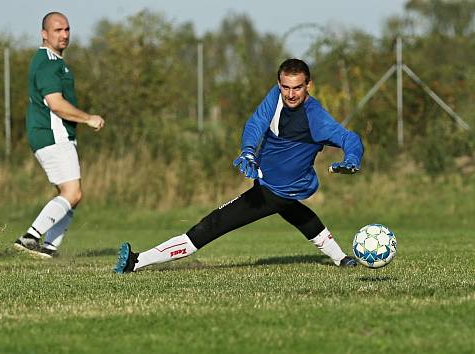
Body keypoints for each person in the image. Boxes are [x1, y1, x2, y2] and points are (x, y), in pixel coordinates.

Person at [114, 58, 363, 273]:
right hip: (275, 186)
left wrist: (352, 159)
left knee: (212, 224)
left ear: (308, 85)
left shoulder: (315, 117)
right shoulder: (276, 98)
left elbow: (348, 138)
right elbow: (256, 123)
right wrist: (247, 152)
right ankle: (342, 259)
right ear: (279, 84)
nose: (290, 94)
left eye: (297, 88)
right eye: (286, 87)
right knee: (299, 215)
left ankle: (136, 261)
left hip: (272, 192)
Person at [13, 12, 105, 258]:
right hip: (52, 135)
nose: (64, 35)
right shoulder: (46, 63)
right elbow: (55, 103)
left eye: (67, 29)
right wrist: (88, 118)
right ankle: (30, 237)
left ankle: (49, 248)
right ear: (44, 34)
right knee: (72, 193)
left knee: (70, 194)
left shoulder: (55, 61)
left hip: (53, 135)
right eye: (57, 30)